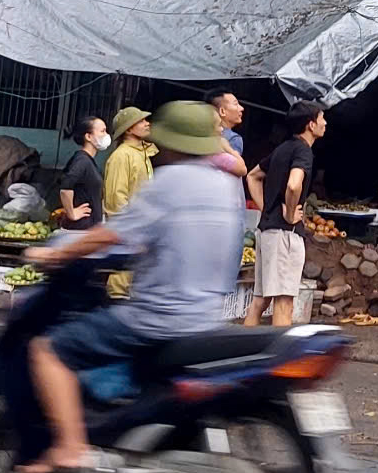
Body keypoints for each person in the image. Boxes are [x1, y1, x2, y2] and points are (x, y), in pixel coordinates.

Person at [17, 100, 241, 473]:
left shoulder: (169, 181)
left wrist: (59, 254)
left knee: (48, 351)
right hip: (206, 318)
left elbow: (116, 227)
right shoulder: (223, 186)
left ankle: (71, 448)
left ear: (170, 142)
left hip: (158, 316)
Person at [244, 103, 326, 327]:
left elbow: (253, 176)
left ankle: (242, 354)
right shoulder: (303, 151)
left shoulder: (283, 148)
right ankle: (281, 360)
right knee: (284, 302)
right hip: (284, 234)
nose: (325, 123)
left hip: (267, 230)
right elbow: (293, 185)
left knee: (260, 300)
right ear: (311, 125)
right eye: (322, 118)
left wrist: (267, 209)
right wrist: (290, 213)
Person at [100, 106, 152, 299]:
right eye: (142, 121)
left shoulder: (141, 153)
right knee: (121, 280)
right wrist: (125, 229)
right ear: (129, 129)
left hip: (141, 227)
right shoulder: (122, 156)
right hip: (129, 229)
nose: (147, 123)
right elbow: (115, 198)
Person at [56, 117, 107, 231]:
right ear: (88, 136)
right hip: (80, 229)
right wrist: (71, 213)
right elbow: (65, 186)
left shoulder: (88, 160)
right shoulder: (82, 161)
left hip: (88, 228)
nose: (106, 135)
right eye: (102, 131)